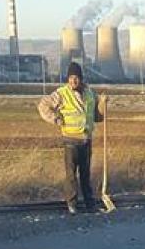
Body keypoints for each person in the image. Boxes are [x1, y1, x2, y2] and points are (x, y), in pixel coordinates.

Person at [38, 63, 105, 214]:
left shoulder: (89, 94)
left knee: (86, 174)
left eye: (76, 78)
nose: (73, 81)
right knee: (71, 175)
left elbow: (97, 116)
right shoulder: (62, 94)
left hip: (86, 139)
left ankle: (90, 203)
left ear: (81, 79)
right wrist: (55, 118)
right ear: (68, 79)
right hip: (70, 140)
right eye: (71, 78)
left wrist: (103, 103)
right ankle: (72, 204)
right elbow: (43, 105)